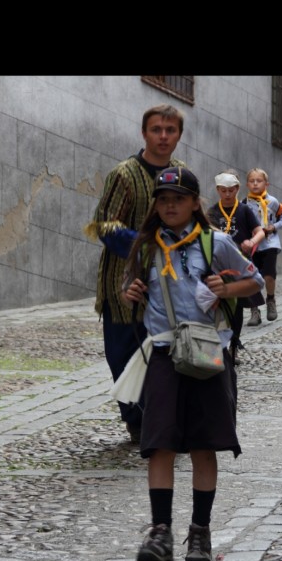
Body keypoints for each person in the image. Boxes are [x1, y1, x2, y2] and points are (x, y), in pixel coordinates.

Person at [122, 167, 264, 561]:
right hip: (166, 354)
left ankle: (200, 534)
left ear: (194, 203)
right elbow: (131, 288)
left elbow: (253, 281)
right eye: (163, 199)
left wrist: (227, 288)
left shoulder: (215, 242)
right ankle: (160, 532)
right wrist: (130, 291)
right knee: (159, 444)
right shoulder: (146, 246)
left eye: (178, 198)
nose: (170, 205)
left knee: (204, 444)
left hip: (208, 354)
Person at [84, 104, 185, 444]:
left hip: (171, 282)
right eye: (157, 129)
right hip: (123, 283)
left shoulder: (182, 174)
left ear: (178, 136)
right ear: (144, 132)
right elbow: (105, 224)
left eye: (170, 130)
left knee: (166, 352)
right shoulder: (124, 174)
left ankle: (161, 418)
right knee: (125, 355)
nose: (163, 136)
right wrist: (145, 245)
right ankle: (137, 420)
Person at [206, 170, 265, 365]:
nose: (227, 194)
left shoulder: (244, 210)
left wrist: (251, 241)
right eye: (223, 191)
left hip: (239, 264)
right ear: (218, 191)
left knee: (238, 307)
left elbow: (260, 232)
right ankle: (218, 346)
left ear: (237, 189)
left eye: (231, 190)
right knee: (219, 305)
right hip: (218, 267)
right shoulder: (213, 212)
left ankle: (233, 347)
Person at [243, 168, 282, 325]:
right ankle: (254, 310)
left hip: (270, 243)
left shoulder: (272, 202)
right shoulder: (244, 204)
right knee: (252, 277)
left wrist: (275, 226)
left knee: (269, 275)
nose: (255, 184)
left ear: (266, 184)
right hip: (253, 245)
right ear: (247, 184)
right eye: (252, 181)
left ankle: (271, 300)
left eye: (259, 181)